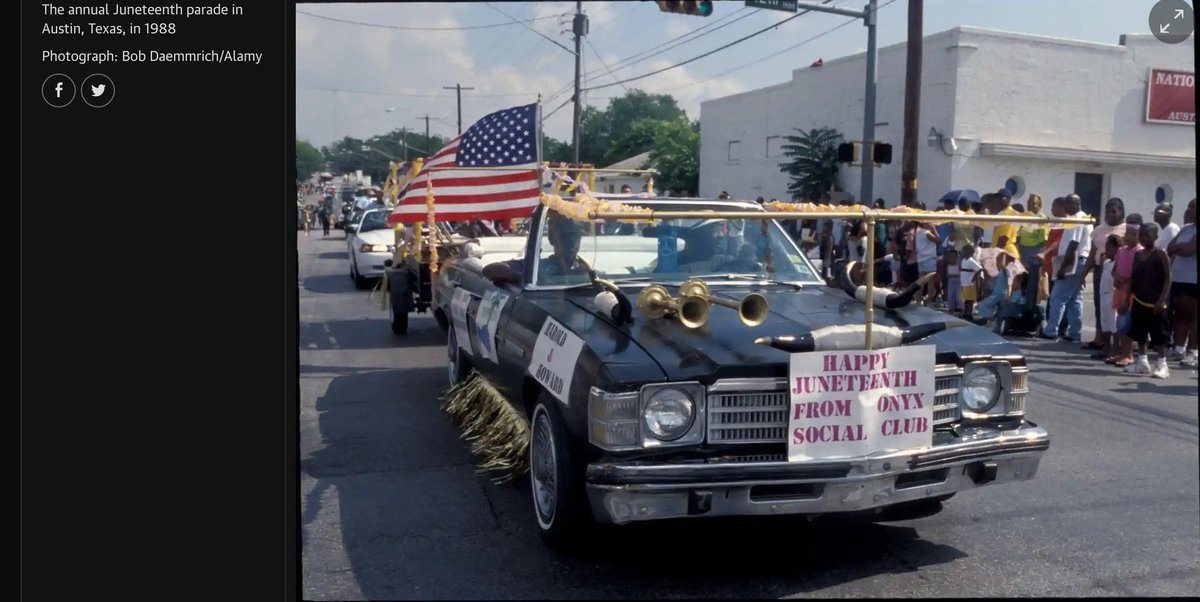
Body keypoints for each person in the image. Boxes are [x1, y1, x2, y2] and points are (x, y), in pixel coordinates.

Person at [483, 212, 590, 285]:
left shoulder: (586, 271)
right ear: (551, 238)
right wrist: (526, 277)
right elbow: (490, 270)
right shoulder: (537, 267)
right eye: (564, 237)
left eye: (575, 236)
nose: (571, 243)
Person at [1042, 194, 1093, 342]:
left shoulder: (1076, 219)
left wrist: (1064, 267)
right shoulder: (1084, 218)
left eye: (1068, 204)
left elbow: (1073, 244)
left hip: (1073, 261)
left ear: (1076, 204)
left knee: (1058, 297)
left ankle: (1051, 330)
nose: (1066, 207)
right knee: (1075, 299)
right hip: (1080, 260)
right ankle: (1074, 333)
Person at [1125, 223, 1173, 378]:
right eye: (1142, 235)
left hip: (1156, 303)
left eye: (1148, 235)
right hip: (1140, 300)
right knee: (1140, 333)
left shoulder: (1160, 254)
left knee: (1159, 335)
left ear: (1156, 237)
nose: (1144, 238)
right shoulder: (1138, 255)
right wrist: (1127, 298)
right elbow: (1133, 278)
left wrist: (1162, 299)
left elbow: (1168, 278)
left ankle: (1162, 364)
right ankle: (1142, 362)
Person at [1081, 198, 1126, 351]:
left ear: (1121, 212)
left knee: (1116, 307)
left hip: (1118, 271)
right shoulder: (1099, 230)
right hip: (1101, 270)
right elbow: (1093, 253)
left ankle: (1117, 342)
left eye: (1114, 211)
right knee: (1100, 305)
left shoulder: (1127, 229)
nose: (1111, 215)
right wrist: (1083, 274)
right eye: (1108, 212)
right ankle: (1099, 338)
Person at [1167, 198, 1197, 367]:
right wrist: (1180, 247)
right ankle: (1178, 348)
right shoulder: (1186, 229)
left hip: (1193, 280)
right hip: (1178, 278)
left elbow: (1189, 250)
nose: (1189, 210)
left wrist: (1180, 248)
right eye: (1189, 206)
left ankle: (1193, 351)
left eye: (1192, 207)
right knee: (1179, 315)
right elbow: (1171, 247)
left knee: (1193, 316)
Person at [1110, 214, 1144, 367]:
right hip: (1119, 290)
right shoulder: (1122, 250)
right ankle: (1122, 352)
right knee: (1121, 323)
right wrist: (1116, 277)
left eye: (1133, 234)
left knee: (1129, 324)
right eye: (1127, 233)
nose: (1129, 236)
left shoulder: (1140, 251)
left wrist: (1126, 280)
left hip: (1132, 293)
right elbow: (1114, 269)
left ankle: (1129, 354)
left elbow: (1139, 273)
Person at [1097, 235, 1121, 362]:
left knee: (1114, 323)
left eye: (1110, 247)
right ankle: (1105, 348)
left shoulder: (1118, 262)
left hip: (1112, 294)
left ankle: (1115, 349)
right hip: (1104, 294)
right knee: (1104, 322)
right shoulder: (1107, 262)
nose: (1107, 250)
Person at [915, 220, 941, 304]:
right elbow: (938, 240)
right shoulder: (926, 233)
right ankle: (929, 300)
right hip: (929, 258)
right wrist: (933, 229)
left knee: (921, 280)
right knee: (930, 280)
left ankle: (918, 299)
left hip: (920, 258)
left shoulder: (918, 232)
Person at [959, 244, 982, 320]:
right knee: (966, 299)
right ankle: (966, 313)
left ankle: (969, 313)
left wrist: (973, 279)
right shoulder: (963, 260)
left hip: (970, 283)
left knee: (970, 300)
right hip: (964, 283)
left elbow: (979, 269)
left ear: (970, 252)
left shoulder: (971, 261)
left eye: (965, 251)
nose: (963, 253)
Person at [945, 247, 961, 313]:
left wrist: (955, 275)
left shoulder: (959, 264)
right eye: (950, 256)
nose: (952, 258)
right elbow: (947, 275)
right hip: (951, 282)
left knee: (958, 295)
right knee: (950, 295)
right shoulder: (947, 265)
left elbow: (961, 274)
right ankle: (951, 308)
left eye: (954, 256)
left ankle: (959, 308)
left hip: (958, 281)